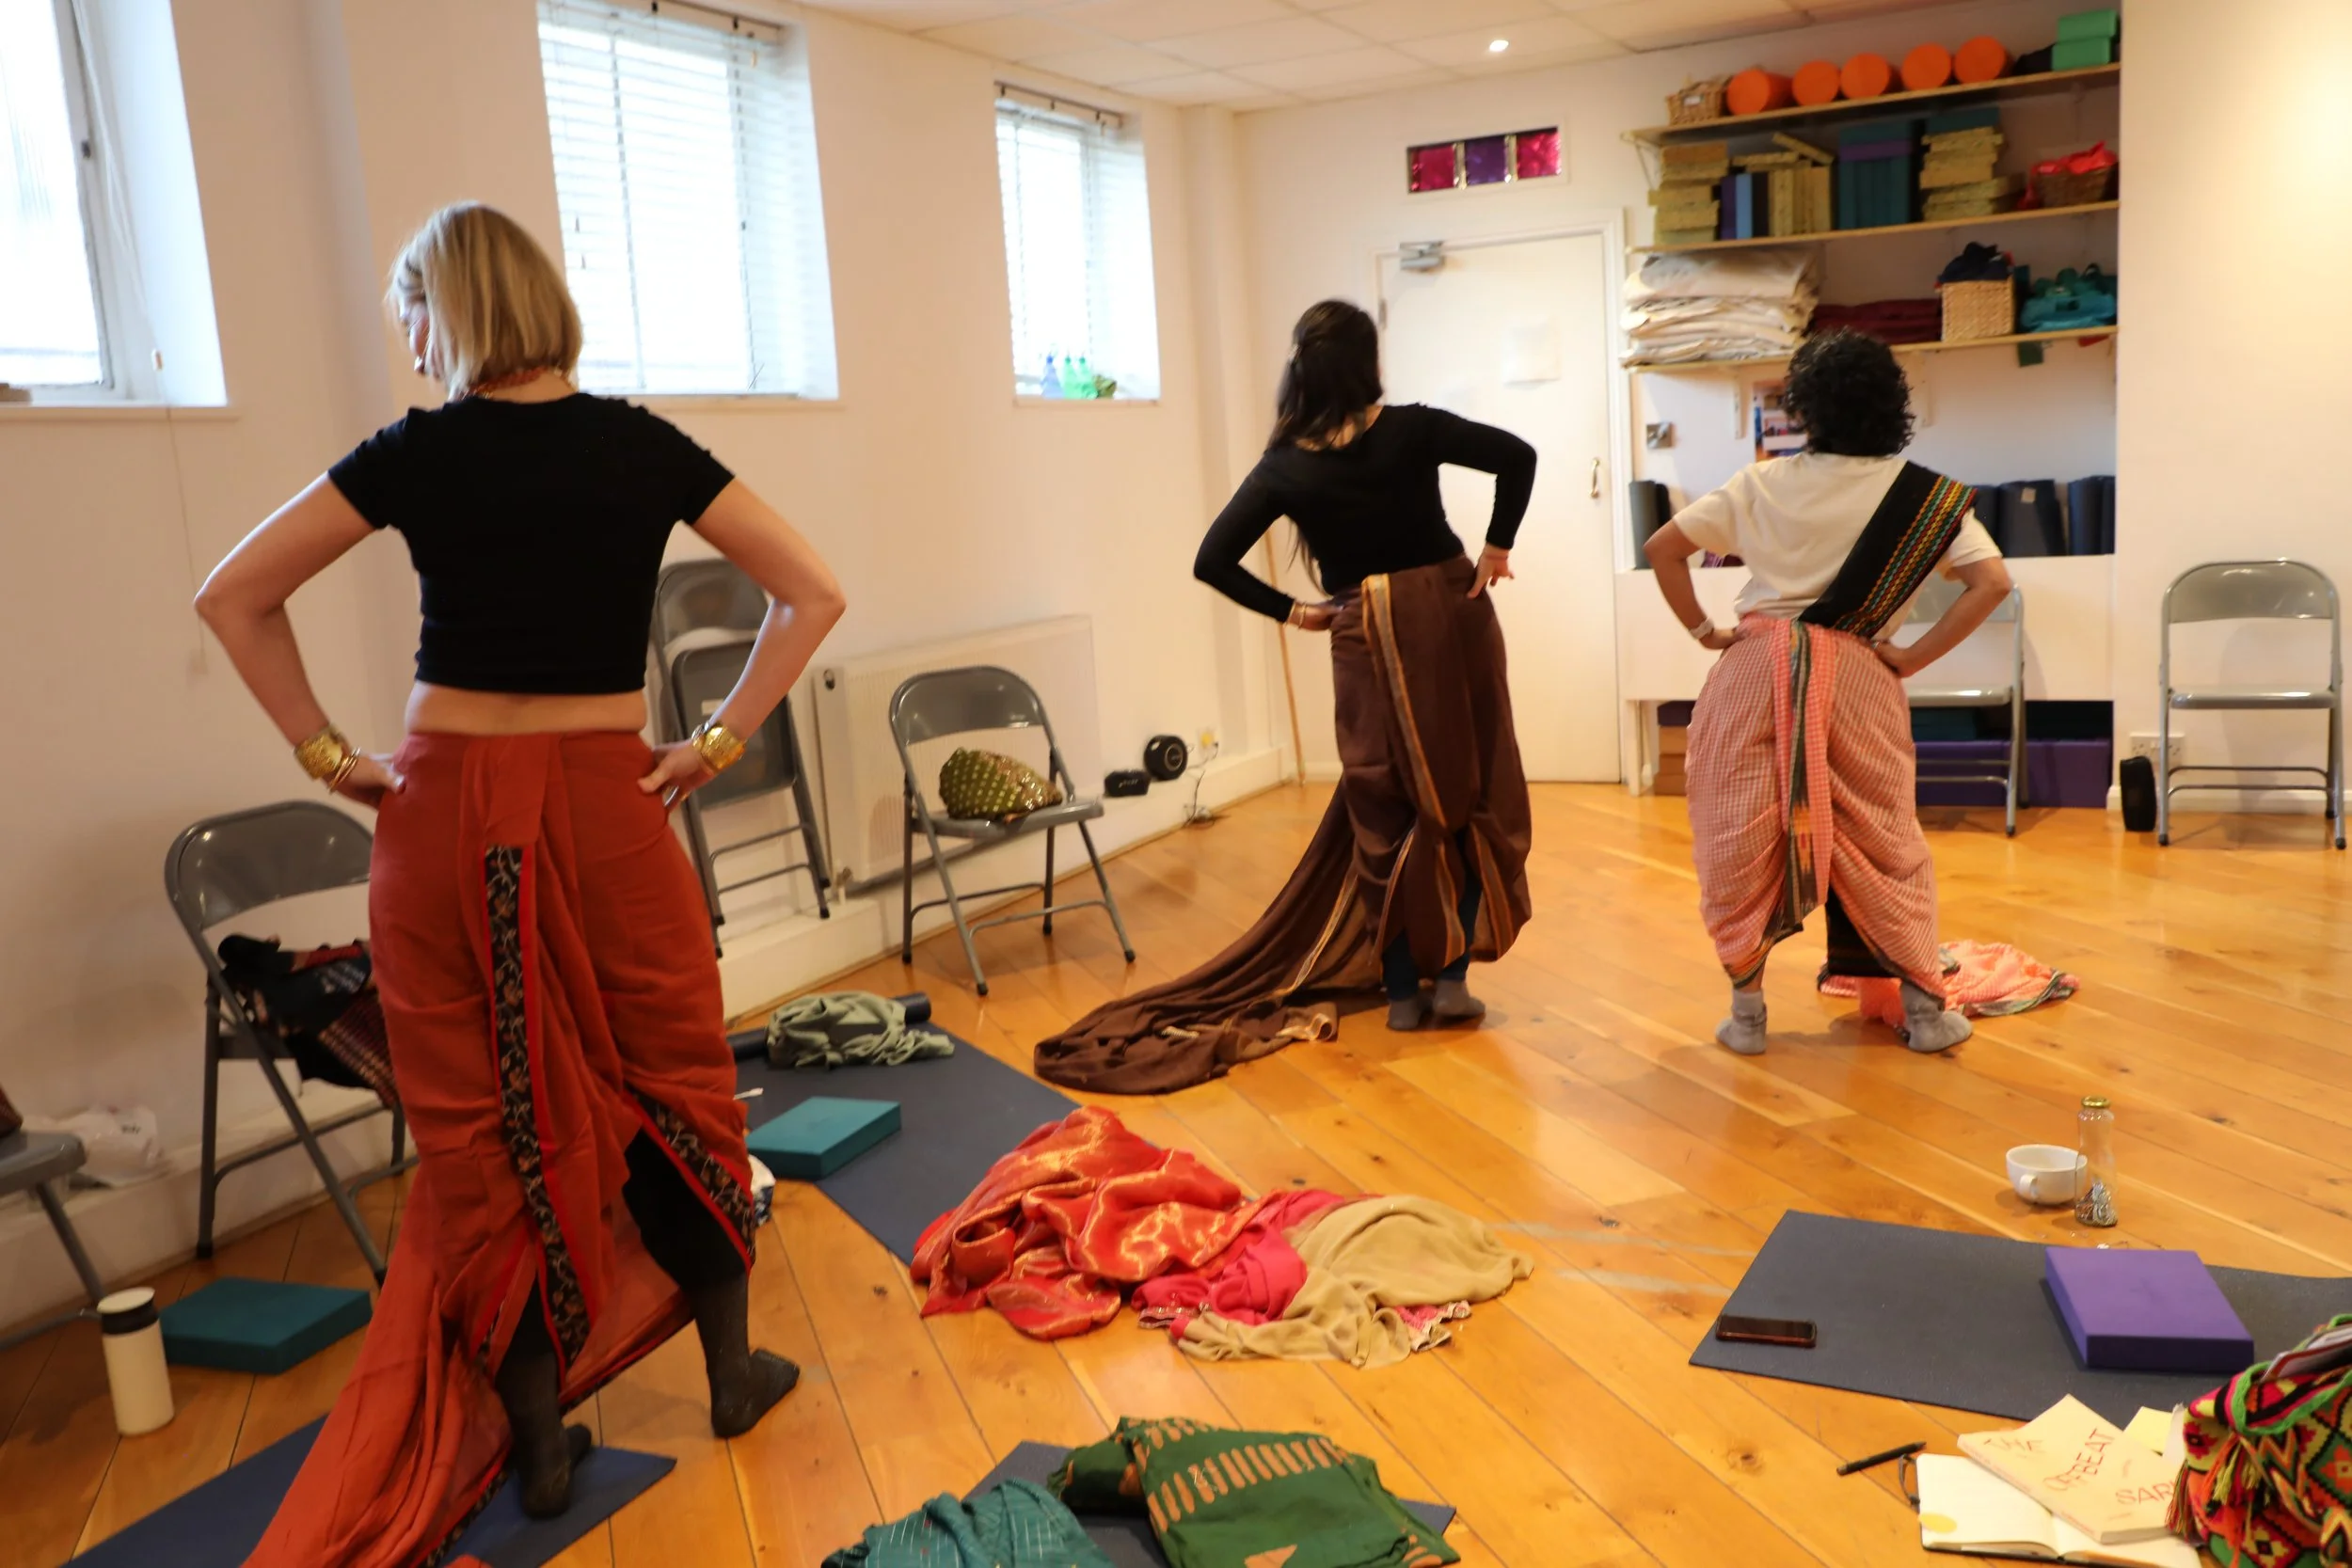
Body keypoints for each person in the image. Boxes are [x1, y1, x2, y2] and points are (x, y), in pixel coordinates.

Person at [195, 202, 846, 1565]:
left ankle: (542, 1448)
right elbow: (812, 591)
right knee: (676, 1069)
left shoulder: (416, 455)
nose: (411, 344)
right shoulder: (642, 444)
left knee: (481, 1109)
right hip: (608, 797)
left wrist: (326, 753)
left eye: (411, 316)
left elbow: (234, 594)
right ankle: (732, 1372)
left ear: (450, 311)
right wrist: (720, 736)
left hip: (439, 815)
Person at [1035, 300, 1535, 1093]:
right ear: (1369, 363)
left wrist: (1296, 610)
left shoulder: (1286, 465)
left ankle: (1402, 991)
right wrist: (1497, 547)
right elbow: (1519, 455)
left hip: (1359, 636)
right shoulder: (1414, 429)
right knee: (1467, 787)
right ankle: (1454, 981)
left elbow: (1213, 559)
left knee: (1384, 807)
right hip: (1449, 617)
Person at [1642, 329, 2010, 1057]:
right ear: (1893, 406)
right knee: (1884, 837)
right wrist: (1908, 656)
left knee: (1740, 830)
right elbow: (1992, 581)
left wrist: (1702, 631)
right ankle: (1925, 1012)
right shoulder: (1924, 496)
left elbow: (1663, 548)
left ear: (1805, 407)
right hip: (1859, 674)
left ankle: (1747, 1015)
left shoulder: (1761, 483)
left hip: (1755, 671)